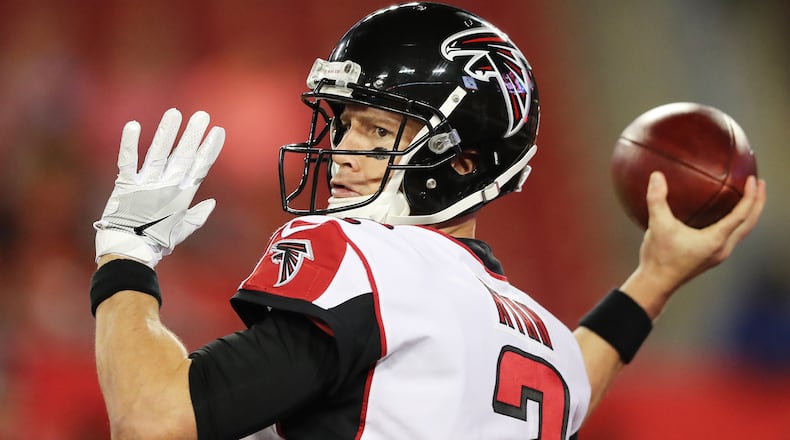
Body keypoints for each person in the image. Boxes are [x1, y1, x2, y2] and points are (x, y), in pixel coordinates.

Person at [89, 3, 766, 439]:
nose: (342, 150)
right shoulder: (543, 342)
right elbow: (578, 381)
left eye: (378, 131)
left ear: (463, 162)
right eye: (345, 124)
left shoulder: (367, 260)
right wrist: (655, 278)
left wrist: (124, 257)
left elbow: (154, 419)